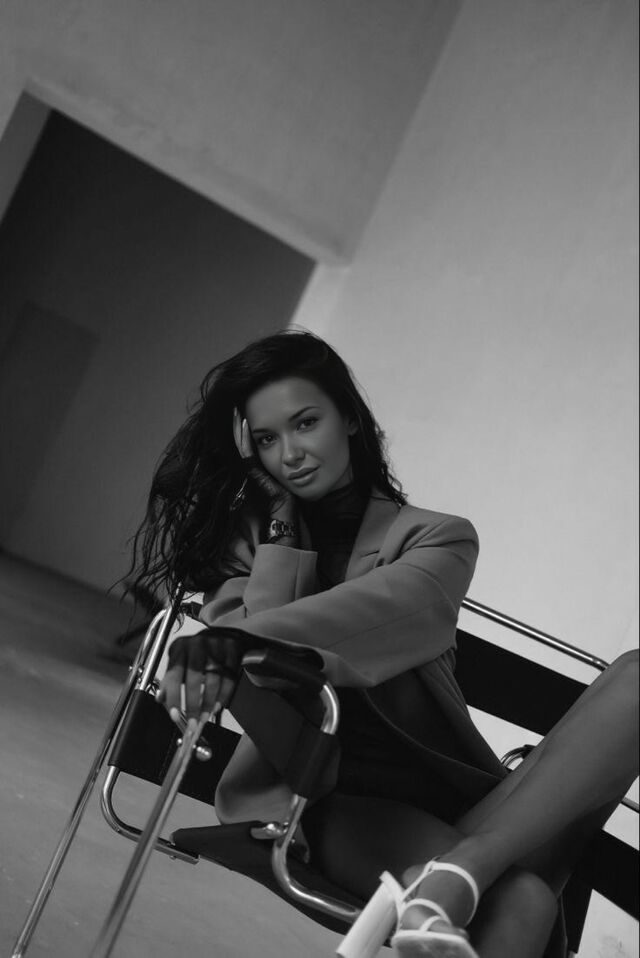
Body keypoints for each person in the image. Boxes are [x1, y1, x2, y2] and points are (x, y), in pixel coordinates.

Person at [130, 329, 638, 958]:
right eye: (266, 439)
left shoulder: (439, 539)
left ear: (348, 417)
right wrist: (280, 523)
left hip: (461, 803)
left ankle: (457, 873)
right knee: (524, 901)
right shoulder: (250, 549)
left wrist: (230, 640)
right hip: (329, 803)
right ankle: (453, 881)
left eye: (306, 422)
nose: (290, 453)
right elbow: (268, 675)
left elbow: (380, 614)